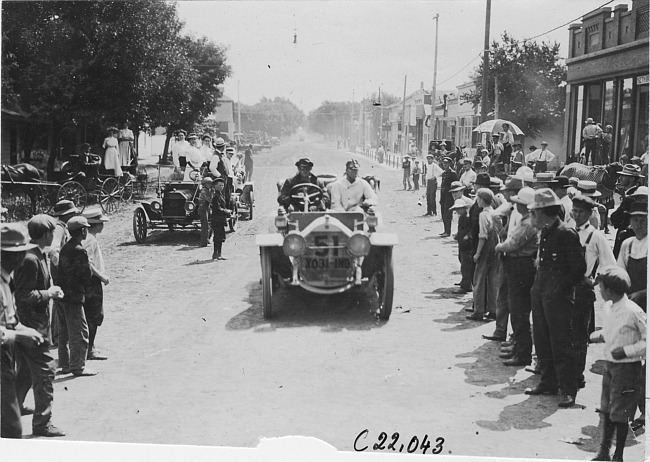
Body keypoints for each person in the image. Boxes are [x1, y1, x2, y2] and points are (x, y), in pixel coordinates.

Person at [525, 188, 586, 408]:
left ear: (544, 212)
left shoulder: (565, 233)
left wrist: (559, 289)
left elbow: (578, 268)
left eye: (534, 212)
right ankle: (548, 382)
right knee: (541, 340)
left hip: (558, 297)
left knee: (560, 342)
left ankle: (568, 389)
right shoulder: (547, 231)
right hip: (541, 292)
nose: (532, 216)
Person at [13, 215, 66, 437]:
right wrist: (49, 293)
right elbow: (23, 296)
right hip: (32, 327)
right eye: (52, 232)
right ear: (45, 234)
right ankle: (42, 423)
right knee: (46, 371)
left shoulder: (37, 255)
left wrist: (50, 290)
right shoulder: (31, 259)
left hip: (33, 325)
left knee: (25, 371)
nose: (54, 235)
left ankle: (13, 408)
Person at [589, 266, 646, 462]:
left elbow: (647, 341)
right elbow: (613, 331)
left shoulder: (633, 311)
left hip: (627, 368)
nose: (600, 291)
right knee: (606, 409)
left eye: (602, 288)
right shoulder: (608, 308)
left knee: (621, 413)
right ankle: (604, 452)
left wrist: (627, 351)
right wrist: (601, 335)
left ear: (611, 290)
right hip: (610, 366)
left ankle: (618, 454)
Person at [1, 224, 48, 439]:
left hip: (6, 356)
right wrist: (18, 334)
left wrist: (23, 329)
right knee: (11, 430)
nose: (21, 259)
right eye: (15, 254)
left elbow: (10, 320)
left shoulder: (7, 280)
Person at [570, 195, 616, 389]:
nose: (577, 215)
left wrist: (594, 281)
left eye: (581, 212)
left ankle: (576, 376)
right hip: (563, 288)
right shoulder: (568, 231)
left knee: (579, 337)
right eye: (575, 211)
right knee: (562, 333)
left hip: (581, 290)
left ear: (590, 214)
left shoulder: (595, 236)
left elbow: (610, 265)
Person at [491, 187, 538, 366]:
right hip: (521, 265)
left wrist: (499, 247)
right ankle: (519, 348)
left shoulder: (527, 224)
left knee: (519, 311)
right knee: (518, 310)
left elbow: (512, 244)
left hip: (521, 266)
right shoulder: (527, 221)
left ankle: (522, 352)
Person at [57, 216, 96, 377]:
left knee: (64, 333)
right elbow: (86, 274)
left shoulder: (66, 247)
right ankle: (78, 366)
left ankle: (65, 364)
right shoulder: (80, 251)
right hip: (74, 296)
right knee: (80, 332)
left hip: (62, 295)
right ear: (82, 231)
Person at [466, 188, 500, 322]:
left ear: (481, 199)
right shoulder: (494, 212)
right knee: (493, 281)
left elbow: (482, 236)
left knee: (478, 281)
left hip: (485, 250)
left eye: (478, 198)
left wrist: (477, 253)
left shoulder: (482, 215)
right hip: (495, 249)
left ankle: (478, 311)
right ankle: (493, 310)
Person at [49, 200, 79, 346]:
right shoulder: (59, 229)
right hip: (60, 269)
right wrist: (63, 268)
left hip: (61, 269)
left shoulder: (63, 227)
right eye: (72, 213)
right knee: (60, 299)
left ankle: (56, 335)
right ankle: (56, 336)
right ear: (67, 215)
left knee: (59, 299)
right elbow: (54, 250)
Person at [81, 209, 110, 361]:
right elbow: (88, 264)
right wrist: (102, 277)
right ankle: (89, 349)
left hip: (89, 281)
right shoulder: (90, 241)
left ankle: (89, 347)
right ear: (96, 225)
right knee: (94, 315)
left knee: (91, 315)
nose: (102, 226)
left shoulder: (89, 238)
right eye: (101, 223)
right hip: (92, 281)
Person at [449, 199, 472, 294]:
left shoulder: (467, 217)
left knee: (466, 266)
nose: (457, 211)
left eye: (459, 209)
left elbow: (471, 230)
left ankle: (466, 286)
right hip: (462, 244)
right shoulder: (462, 217)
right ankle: (466, 283)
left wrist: (465, 237)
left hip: (467, 245)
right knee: (463, 263)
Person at [210, 177, 231, 260]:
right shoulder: (215, 196)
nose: (221, 187)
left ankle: (218, 254)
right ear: (215, 186)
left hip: (220, 220)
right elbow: (217, 209)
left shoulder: (220, 195)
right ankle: (216, 254)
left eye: (222, 185)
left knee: (219, 237)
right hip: (217, 220)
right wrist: (227, 211)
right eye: (219, 185)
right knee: (218, 238)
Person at [440, 157, 459, 237]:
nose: (445, 165)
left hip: (449, 196)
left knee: (448, 214)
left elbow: (456, 184)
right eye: (444, 163)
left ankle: (448, 231)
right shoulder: (444, 173)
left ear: (450, 164)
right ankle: (445, 230)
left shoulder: (452, 173)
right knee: (443, 214)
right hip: (443, 195)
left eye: (446, 163)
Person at [198, 177, 214, 247]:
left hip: (205, 208)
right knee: (205, 226)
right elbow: (210, 200)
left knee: (206, 225)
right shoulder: (204, 191)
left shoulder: (207, 190)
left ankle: (206, 240)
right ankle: (203, 243)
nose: (210, 185)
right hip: (203, 208)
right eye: (208, 183)